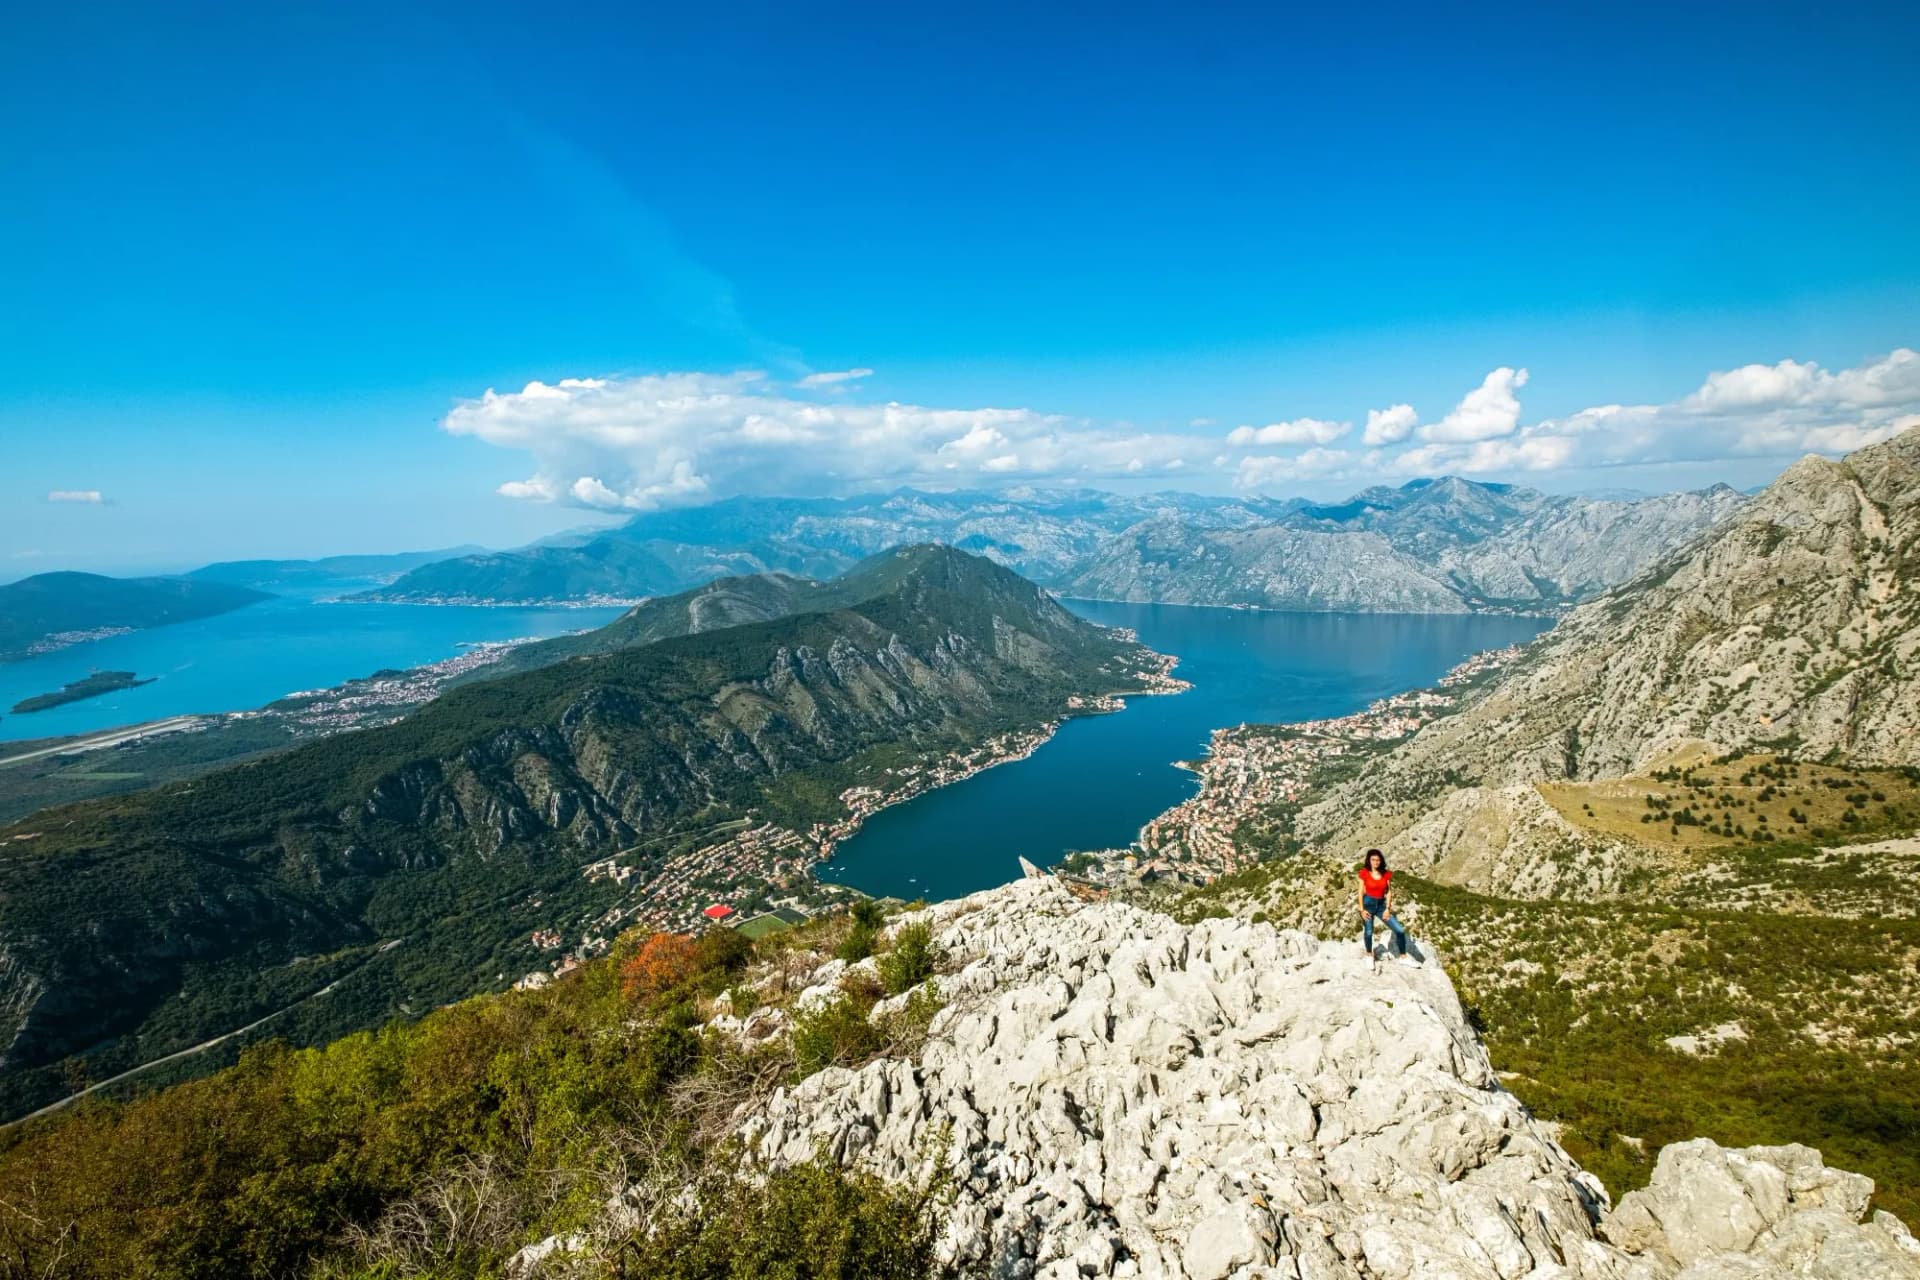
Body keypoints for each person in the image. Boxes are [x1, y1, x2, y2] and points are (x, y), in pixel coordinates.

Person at [1357, 849, 1418, 967]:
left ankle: (1403, 957)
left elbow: (1389, 892)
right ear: (1369, 860)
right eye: (1373, 860)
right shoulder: (1364, 872)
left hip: (1381, 906)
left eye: (1378, 860)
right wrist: (1362, 909)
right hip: (1368, 904)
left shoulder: (1386, 874)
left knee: (1399, 930)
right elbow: (1360, 892)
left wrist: (1388, 908)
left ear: (1381, 861)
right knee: (1369, 932)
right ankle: (1369, 955)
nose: (1376, 862)